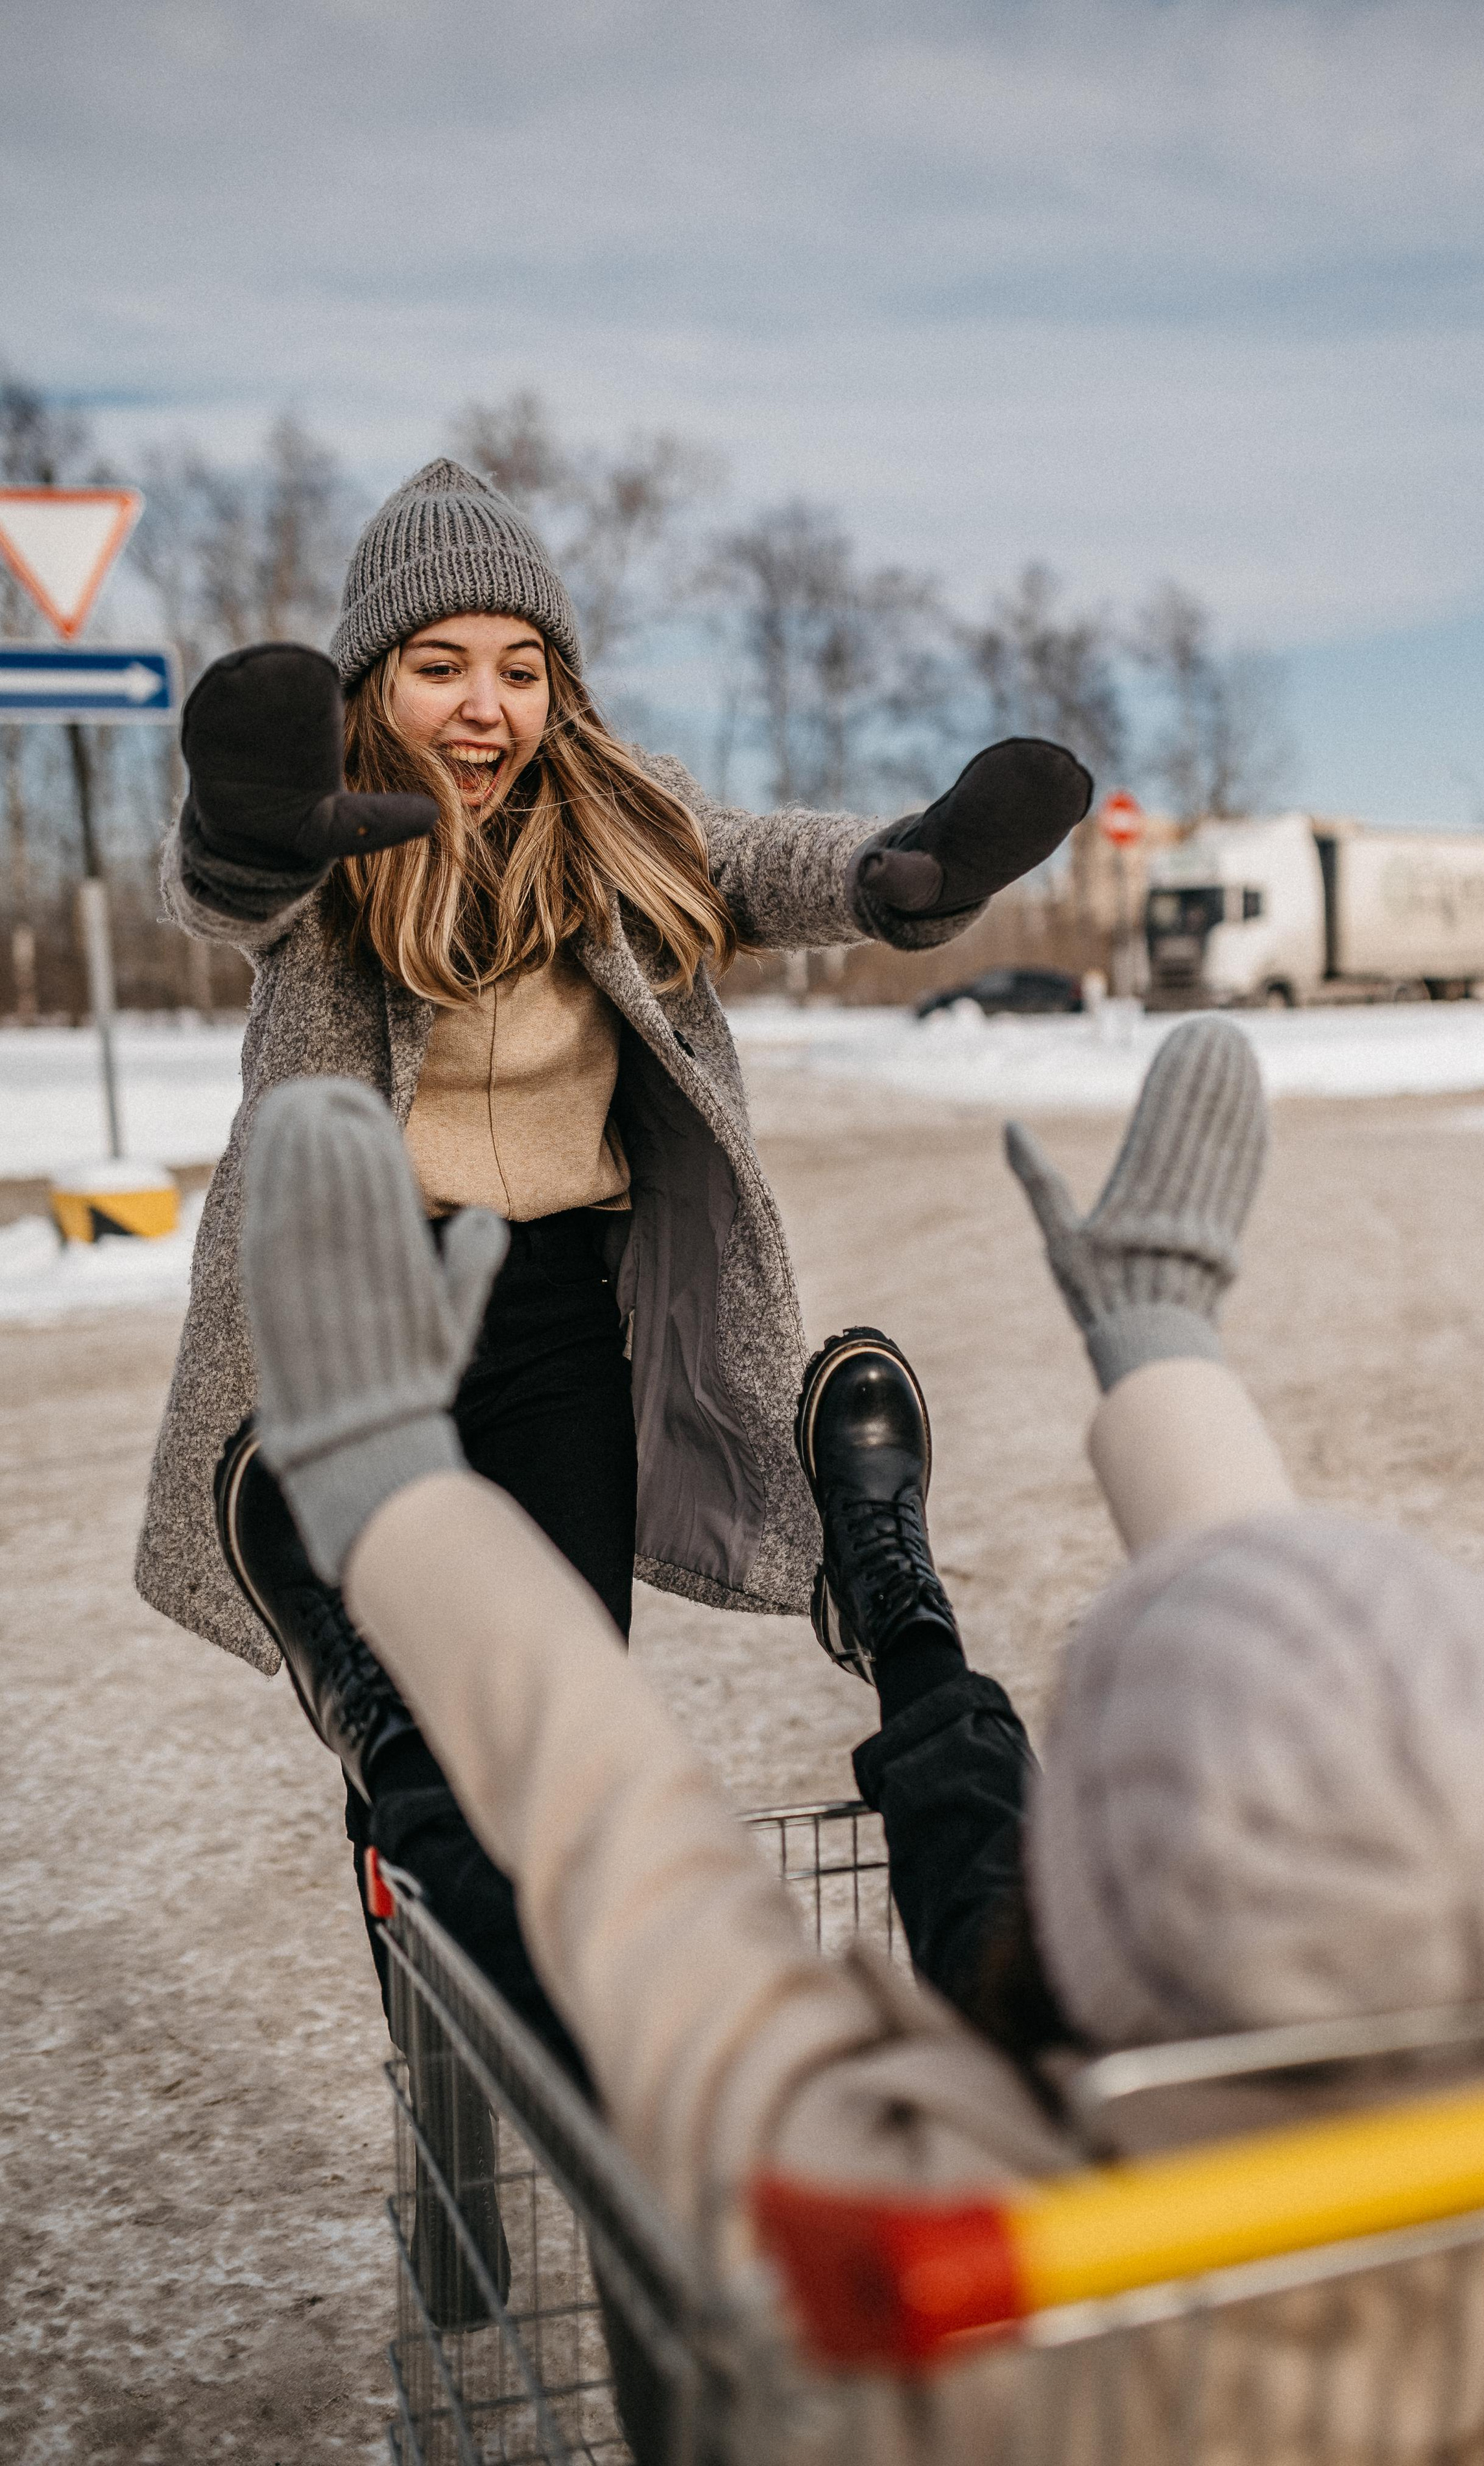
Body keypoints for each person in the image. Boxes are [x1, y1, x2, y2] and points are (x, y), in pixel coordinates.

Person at [233, 1020, 1484, 2466]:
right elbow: (1396, 1795)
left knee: (596, 1987)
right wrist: (1163, 1348)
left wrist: (393, 1490)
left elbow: (630, 1847)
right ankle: (896, 1624)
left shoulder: (919, 2262)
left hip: (833, 2388)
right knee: (982, 1870)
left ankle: (390, 1721)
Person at [133, 455, 1092, 2058]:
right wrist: (244, 825)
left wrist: (903, 870)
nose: (483, 706)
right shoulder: (326, 846)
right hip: (365, 1324)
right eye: (440, 665)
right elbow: (233, 891)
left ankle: (565, 2095)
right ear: (379, 682)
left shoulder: (607, 814)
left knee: (558, 1724)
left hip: (560, 1319)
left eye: (520, 668)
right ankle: (446, 2088)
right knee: (411, 1738)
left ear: (559, 689)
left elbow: (747, 859)